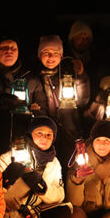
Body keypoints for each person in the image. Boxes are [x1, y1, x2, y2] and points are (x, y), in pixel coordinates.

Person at [28, 35, 91, 169]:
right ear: (39, 55)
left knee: (70, 167)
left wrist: (81, 77)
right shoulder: (32, 78)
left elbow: (83, 100)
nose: (51, 57)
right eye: (46, 52)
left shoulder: (68, 76)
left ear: (61, 56)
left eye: (55, 53)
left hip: (69, 131)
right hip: (44, 135)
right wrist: (30, 108)